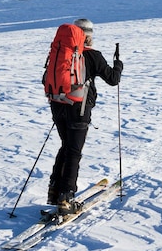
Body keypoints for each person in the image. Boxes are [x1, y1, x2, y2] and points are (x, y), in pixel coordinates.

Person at [47, 18, 123, 214]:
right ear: (88, 36)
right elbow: (113, 80)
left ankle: (54, 190)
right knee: (74, 151)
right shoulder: (93, 56)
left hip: (57, 104)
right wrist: (118, 66)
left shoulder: (59, 52)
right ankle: (66, 197)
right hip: (79, 109)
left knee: (66, 146)